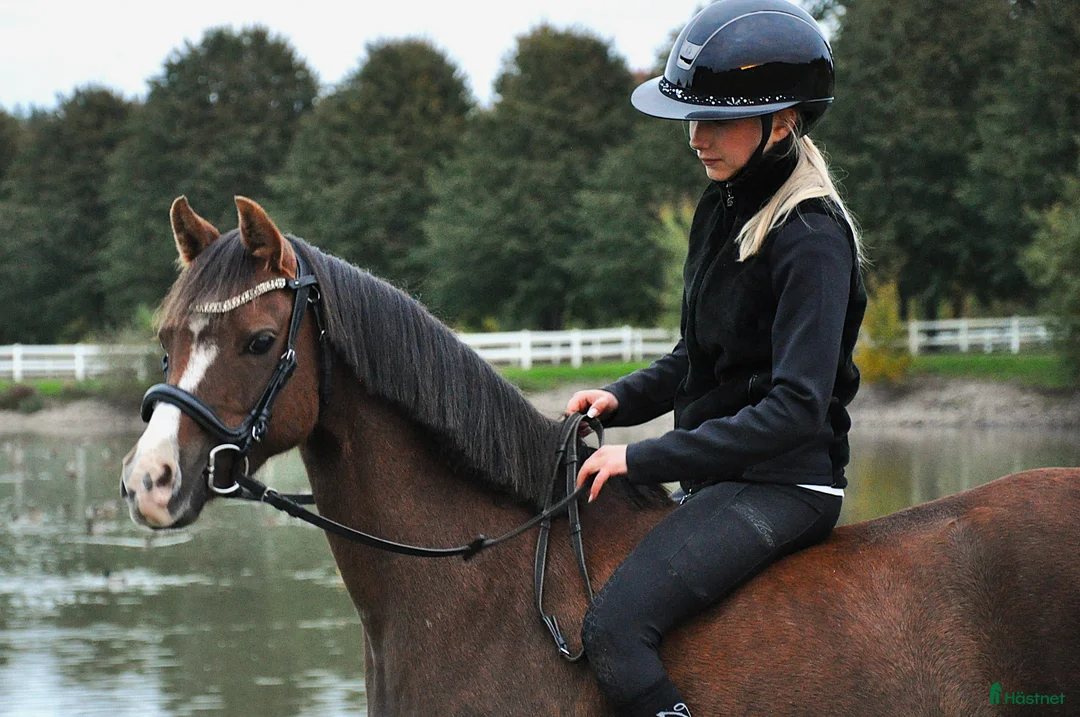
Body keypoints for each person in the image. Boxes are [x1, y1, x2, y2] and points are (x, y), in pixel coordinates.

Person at [566, 1, 868, 715]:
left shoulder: (812, 238)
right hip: (723, 474)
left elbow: (794, 411)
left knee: (612, 630)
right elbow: (698, 357)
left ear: (785, 119)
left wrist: (641, 459)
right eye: (690, 119)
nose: (696, 137)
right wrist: (620, 399)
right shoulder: (722, 205)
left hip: (785, 485)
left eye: (717, 119)